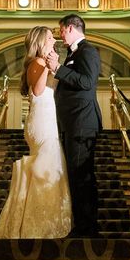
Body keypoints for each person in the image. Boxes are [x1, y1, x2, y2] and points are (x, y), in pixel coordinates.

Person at [0, 26, 72, 239]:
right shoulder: (36, 63)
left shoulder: (40, 63)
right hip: (42, 124)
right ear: (40, 42)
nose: (53, 39)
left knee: (47, 167)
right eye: (49, 37)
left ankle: (42, 219)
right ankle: (40, 225)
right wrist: (47, 63)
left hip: (46, 121)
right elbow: (37, 90)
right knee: (49, 168)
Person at [46, 13, 102, 238]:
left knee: (82, 175)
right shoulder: (73, 53)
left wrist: (59, 69)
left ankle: (87, 228)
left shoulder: (88, 51)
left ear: (71, 28)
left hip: (82, 123)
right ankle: (83, 225)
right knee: (77, 175)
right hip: (72, 123)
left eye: (61, 30)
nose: (60, 35)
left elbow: (87, 82)